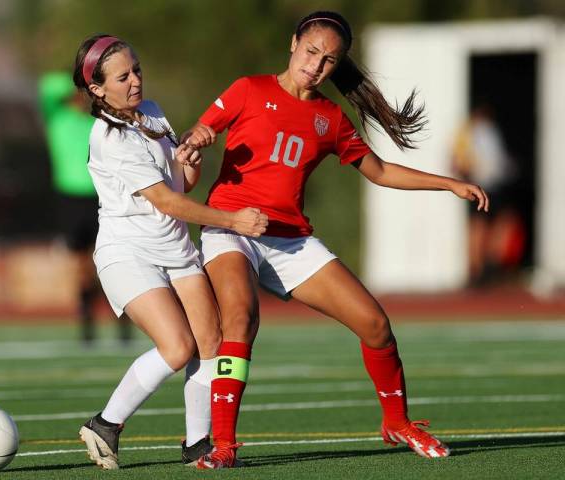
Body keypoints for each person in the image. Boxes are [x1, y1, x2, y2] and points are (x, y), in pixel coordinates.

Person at [182, 11, 489, 468]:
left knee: (375, 325)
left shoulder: (330, 118)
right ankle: (223, 445)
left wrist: (448, 184)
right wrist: (197, 138)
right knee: (241, 320)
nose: (317, 64)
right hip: (232, 227)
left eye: (329, 59)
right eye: (311, 51)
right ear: (293, 45)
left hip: (290, 240)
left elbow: (380, 171)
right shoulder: (248, 89)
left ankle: (398, 424)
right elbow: (193, 141)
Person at [70, 34, 268, 470]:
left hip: (174, 247)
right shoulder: (110, 137)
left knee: (210, 342)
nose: (136, 80)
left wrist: (190, 162)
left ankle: (197, 443)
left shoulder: (153, 113)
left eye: (136, 69)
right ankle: (106, 423)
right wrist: (234, 221)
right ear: (98, 90)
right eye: (123, 77)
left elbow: (180, 185)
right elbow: (167, 202)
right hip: (128, 253)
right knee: (177, 346)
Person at [38, 71, 132, 345]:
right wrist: (82, 81)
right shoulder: (57, 118)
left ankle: (123, 321)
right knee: (81, 267)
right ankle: (87, 322)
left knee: (108, 260)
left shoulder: (97, 122)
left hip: (101, 197)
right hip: (70, 199)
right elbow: (47, 87)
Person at [452, 102, 523, 286]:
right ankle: (477, 272)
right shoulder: (469, 131)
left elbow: (497, 160)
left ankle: (491, 267)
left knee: (498, 224)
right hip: (479, 185)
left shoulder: (491, 131)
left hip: (495, 185)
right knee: (478, 227)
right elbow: (457, 160)